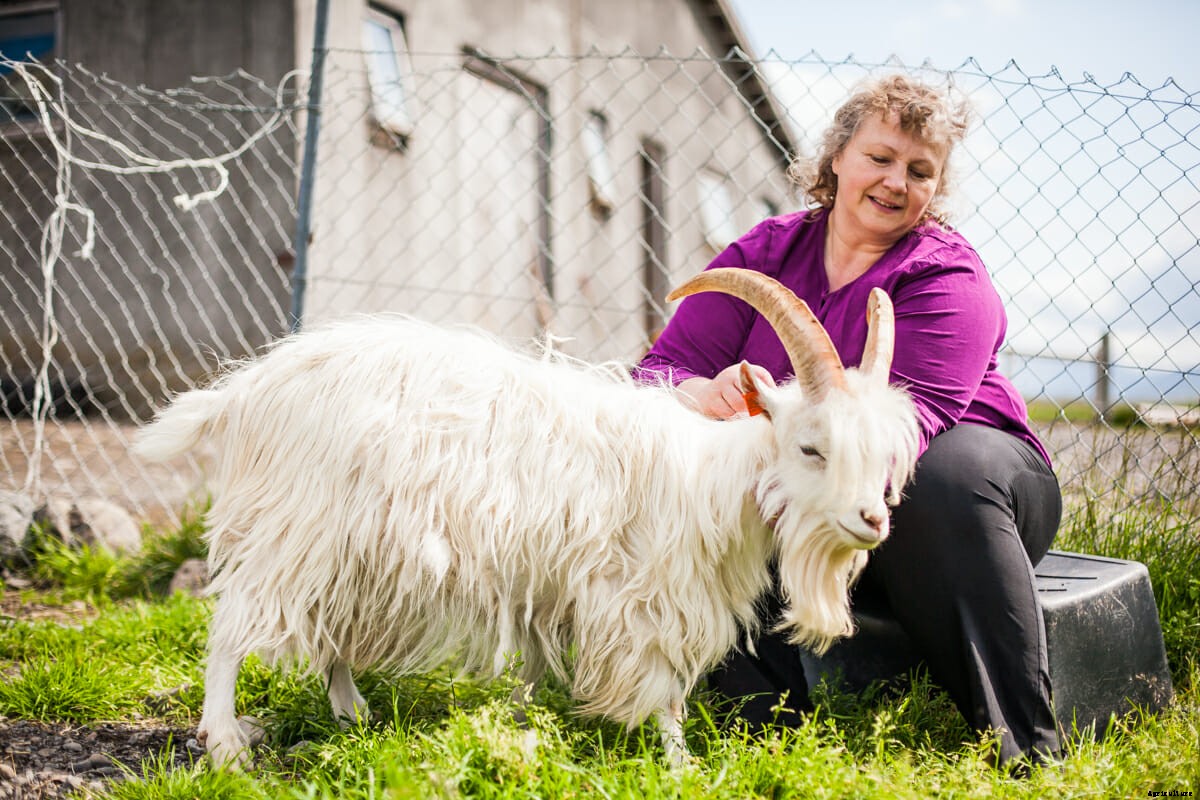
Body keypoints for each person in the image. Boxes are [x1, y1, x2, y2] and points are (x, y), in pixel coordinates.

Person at [637, 73, 1062, 767]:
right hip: (814, 483)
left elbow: (905, 427)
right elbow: (657, 373)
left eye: (920, 171)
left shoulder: (947, 279)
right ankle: (764, 734)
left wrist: (774, 431)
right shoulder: (766, 253)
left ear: (936, 187)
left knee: (940, 475)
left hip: (965, 498)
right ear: (837, 156)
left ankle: (1025, 752)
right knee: (727, 478)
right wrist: (700, 394)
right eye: (881, 158)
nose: (896, 182)